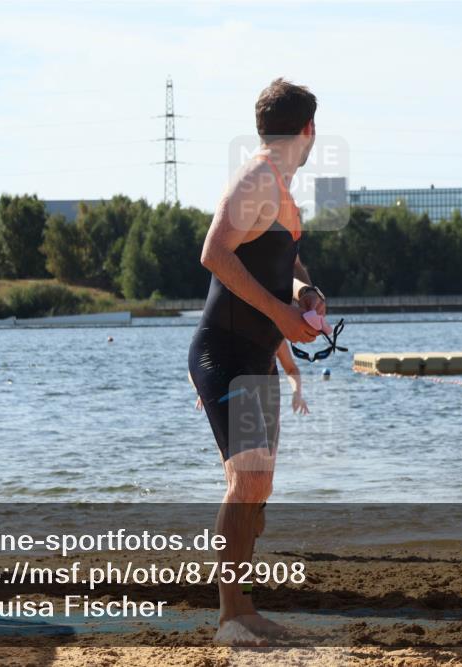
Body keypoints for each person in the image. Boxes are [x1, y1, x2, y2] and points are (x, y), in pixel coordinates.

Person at [187, 78, 325, 646]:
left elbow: (282, 259)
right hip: (226, 353)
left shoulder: (282, 185)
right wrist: (283, 316)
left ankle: (242, 609)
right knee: (247, 484)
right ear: (309, 130)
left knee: (257, 489)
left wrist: (308, 293)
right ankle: (229, 618)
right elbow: (214, 252)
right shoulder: (257, 177)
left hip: (257, 355)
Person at [194, 341, 309, 415]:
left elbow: (291, 369)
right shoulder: (226, 333)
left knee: (268, 451)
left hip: (267, 400)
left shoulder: (273, 334)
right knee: (231, 451)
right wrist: (203, 390)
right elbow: (196, 368)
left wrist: (297, 392)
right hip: (235, 399)